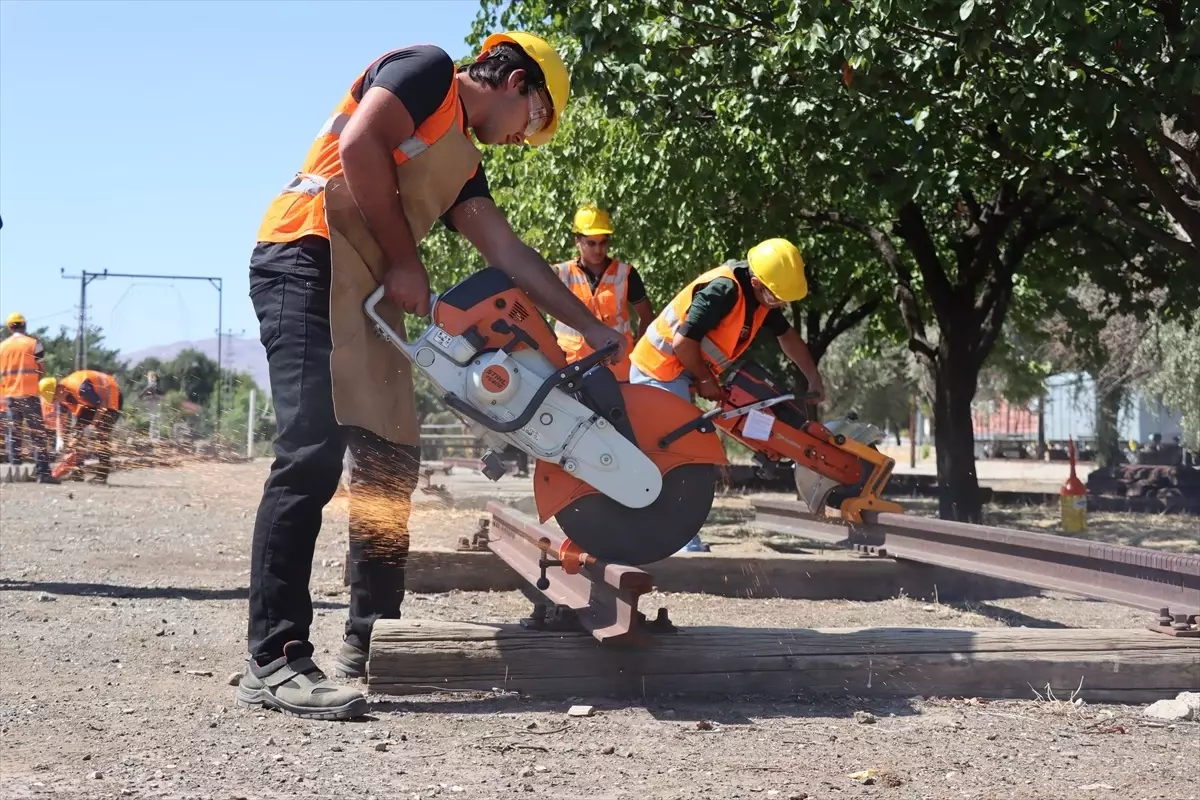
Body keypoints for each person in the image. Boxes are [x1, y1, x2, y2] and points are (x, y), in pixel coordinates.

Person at [236, 32, 628, 721]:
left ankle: (372, 642)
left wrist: (590, 327)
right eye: (533, 123)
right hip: (305, 256)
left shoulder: (462, 164)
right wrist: (404, 259)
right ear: (517, 84)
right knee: (310, 452)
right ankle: (275, 658)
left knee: (389, 462)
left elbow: (509, 251)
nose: (520, 140)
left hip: (368, 289)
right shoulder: (427, 72)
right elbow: (360, 145)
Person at [628, 238, 825, 552]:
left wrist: (812, 375)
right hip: (659, 369)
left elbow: (787, 336)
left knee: (688, 450)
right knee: (681, 454)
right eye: (777, 297)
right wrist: (706, 380)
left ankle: (670, 532)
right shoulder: (724, 290)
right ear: (758, 282)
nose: (781, 304)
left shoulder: (763, 297)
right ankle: (674, 537)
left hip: (682, 373)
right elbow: (682, 344)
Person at [551, 204, 655, 380]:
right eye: (591, 243)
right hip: (572, 369)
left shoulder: (625, 274)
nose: (598, 250)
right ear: (577, 241)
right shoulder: (561, 274)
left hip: (617, 370)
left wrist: (639, 352)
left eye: (603, 242)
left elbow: (646, 316)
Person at [1, 312, 57, 484]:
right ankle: (42, 473)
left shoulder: (2, 347)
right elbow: (41, 368)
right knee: (37, 433)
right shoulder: (34, 343)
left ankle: (14, 469)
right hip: (30, 394)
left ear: (10, 327)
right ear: (24, 326)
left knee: (14, 432)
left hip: (10, 395)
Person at [54, 370, 123, 484]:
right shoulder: (61, 394)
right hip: (91, 403)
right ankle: (77, 471)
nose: (55, 401)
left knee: (101, 436)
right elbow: (60, 418)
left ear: (59, 389)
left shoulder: (82, 388)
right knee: (78, 435)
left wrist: (93, 425)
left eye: (55, 398)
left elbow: (102, 404)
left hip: (110, 398)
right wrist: (59, 438)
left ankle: (101, 475)